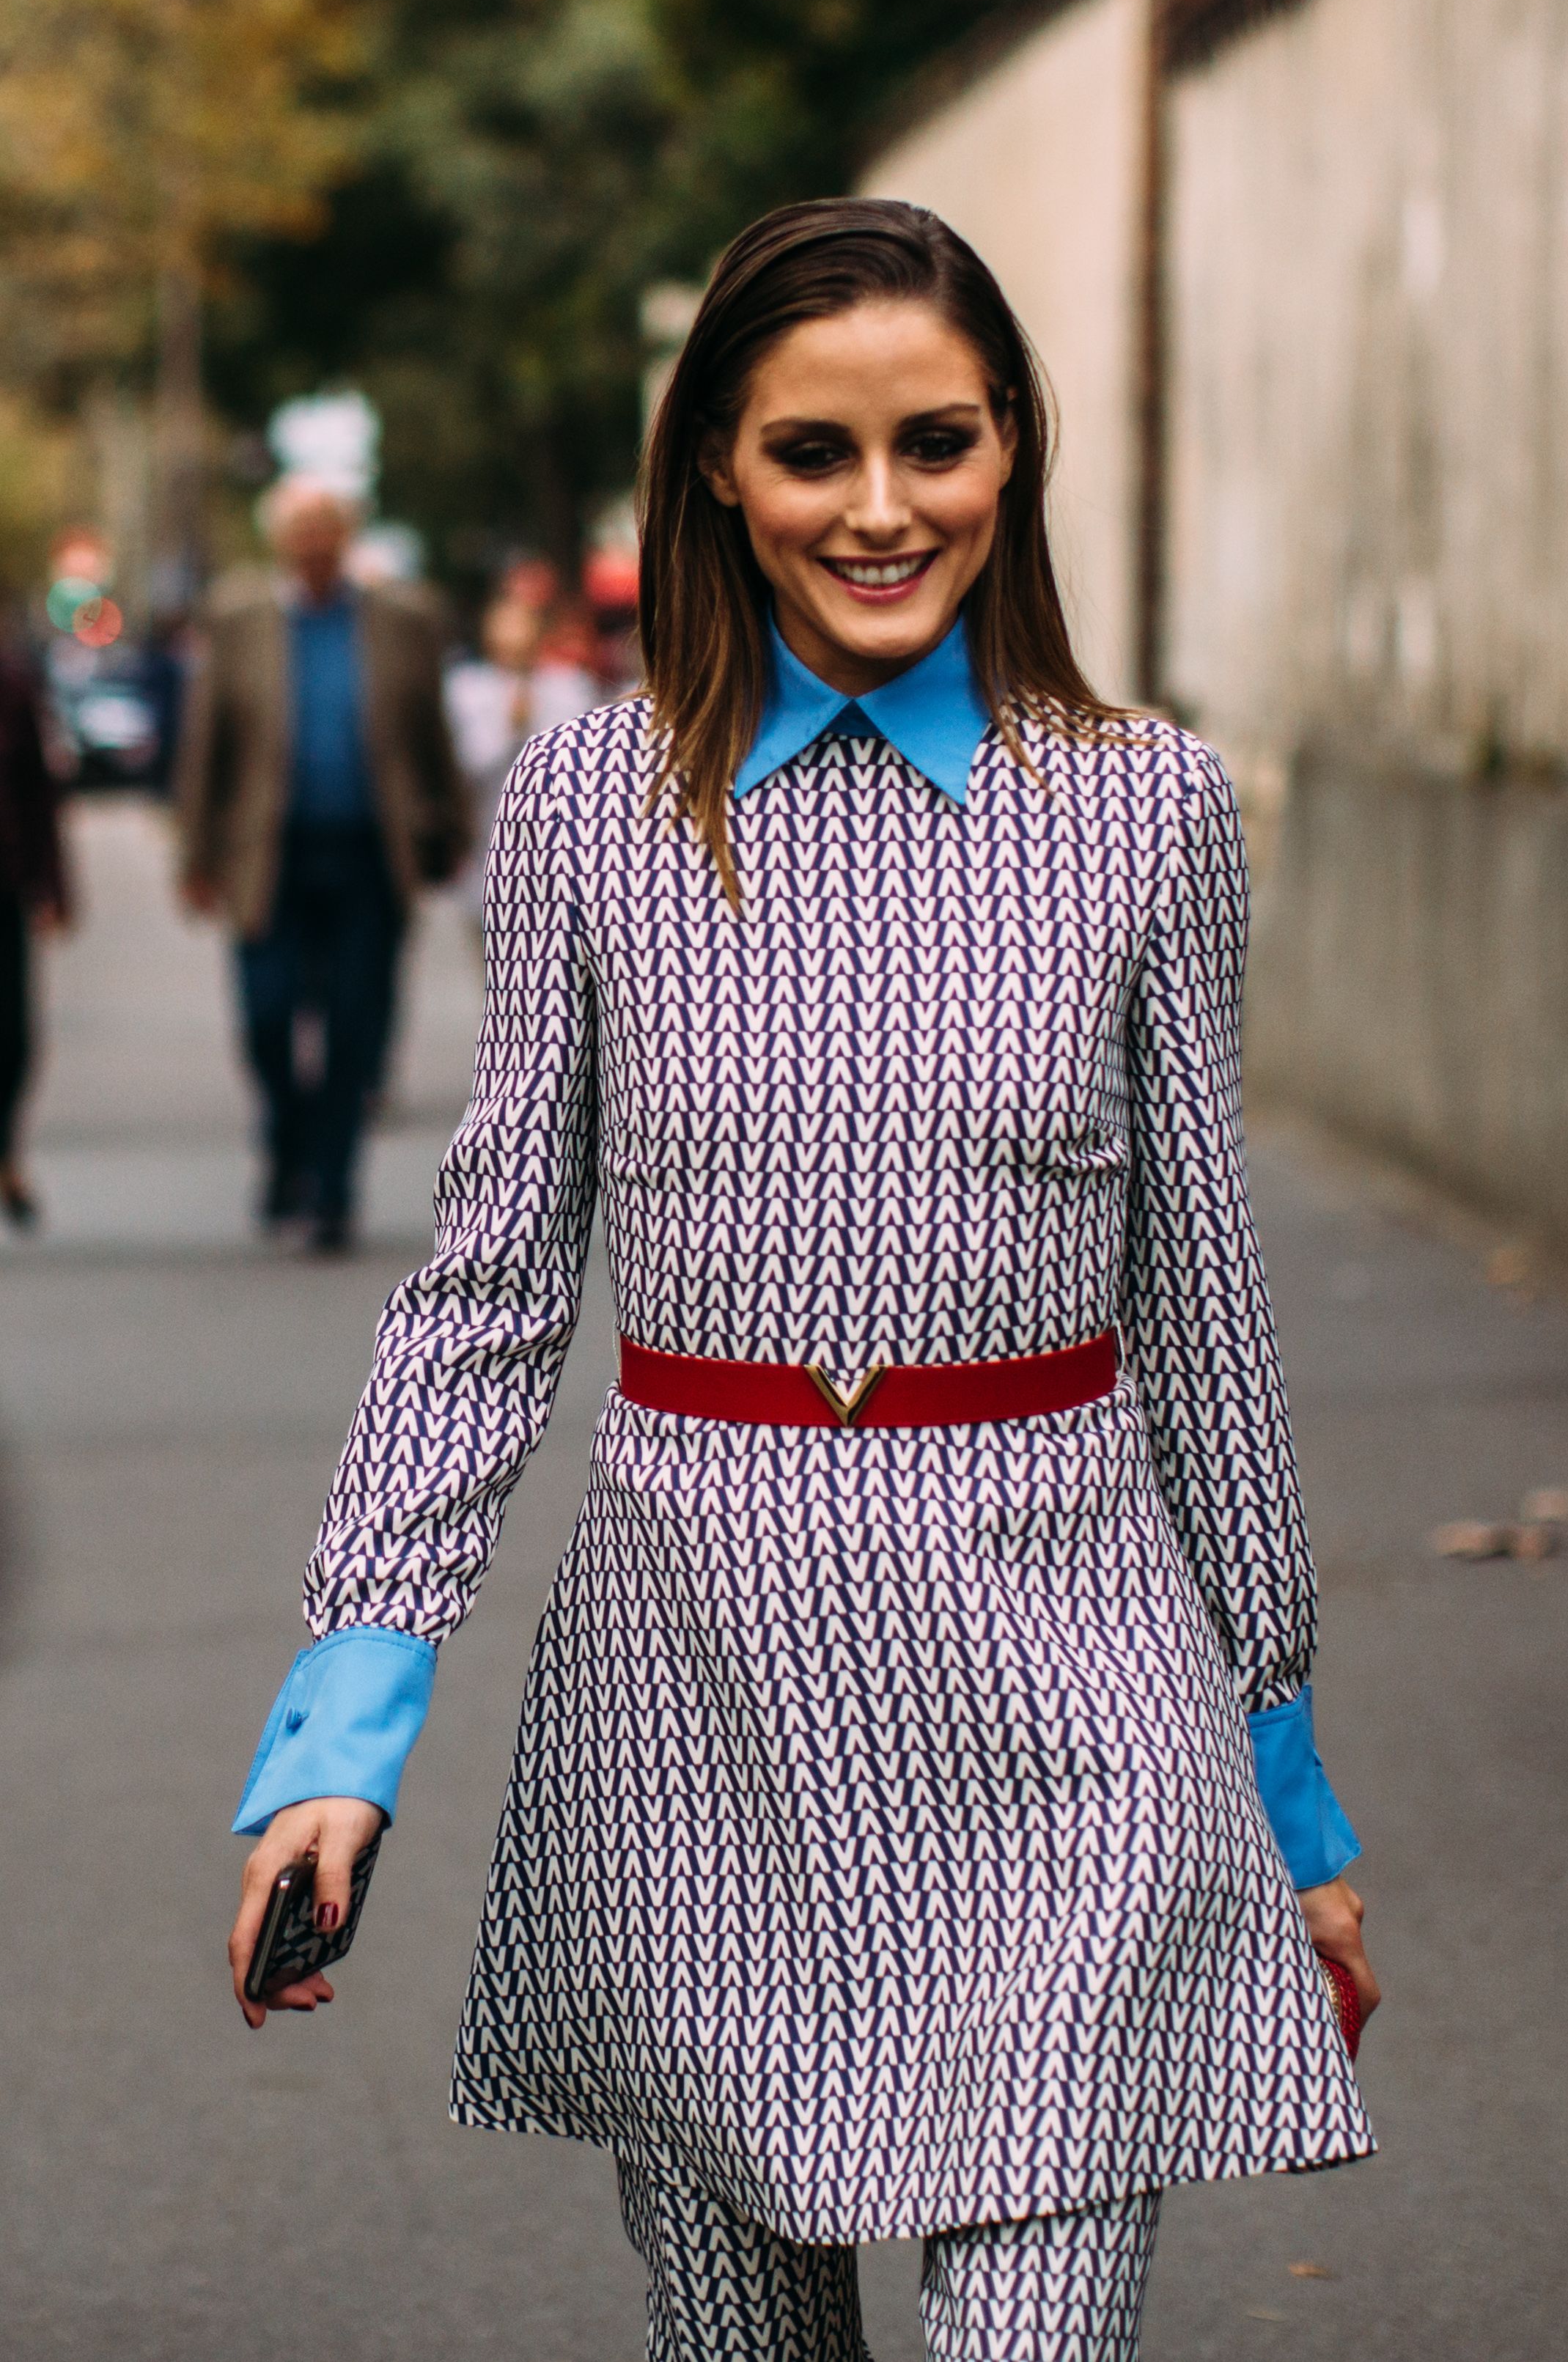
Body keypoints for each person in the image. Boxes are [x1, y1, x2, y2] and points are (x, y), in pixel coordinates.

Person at [226, 201, 1377, 2361]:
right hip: (696, 1714)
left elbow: (1210, 1311)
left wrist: (1287, 1794)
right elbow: (487, 1293)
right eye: (811, 456)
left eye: (936, 444)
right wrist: (346, 1731)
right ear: (720, 481)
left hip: (1074, 1705)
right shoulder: (585, 801)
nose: (880, 511)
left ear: (1013, 449)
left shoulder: (1149, 809)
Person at [174, 477, 468, 1254]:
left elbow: (430, 730)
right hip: (267, 856)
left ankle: (332, 1188)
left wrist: (452, 829)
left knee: (355, 1026)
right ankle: (287, 1143)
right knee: (267, 1017)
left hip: (370, 854)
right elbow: (208, 744)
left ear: (347, 537)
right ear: (280, 540)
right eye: (300, 529)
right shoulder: (240, 623)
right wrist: (194, 853)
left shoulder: (400, 622)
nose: (314, 543)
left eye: (326, 528)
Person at [444, 590, 597, 953]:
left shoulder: (570, 687)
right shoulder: (466, 689)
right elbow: (463, 767)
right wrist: (508, 727)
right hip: (486, 844)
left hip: (558, 851)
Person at [0, 641, 71, 1230]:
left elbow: (37, 789)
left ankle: (5, 1153)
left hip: (5, 885)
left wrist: (55, 884)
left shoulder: (11, 677)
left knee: (12, 1037)